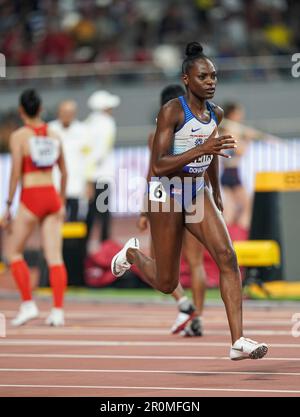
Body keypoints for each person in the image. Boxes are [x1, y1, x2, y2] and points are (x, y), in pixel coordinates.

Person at [111, 42, 268, 360]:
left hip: (198, 193)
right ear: (187, 79)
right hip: (166, 196)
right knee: (167, 282)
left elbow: (213, 155)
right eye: (203, 76)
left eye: (214, 76)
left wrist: (217, 192)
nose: (211, 82)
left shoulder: (216, 112)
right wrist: (203, 149)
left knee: (227, 257)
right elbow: (159, 165)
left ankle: (238, 341)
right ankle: (131, 253)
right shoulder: (171, 111)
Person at [137, 84, 207, 336]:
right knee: (196, 261)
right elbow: (206, 166)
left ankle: (182, 301)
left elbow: (153, 172)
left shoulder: (157, 134)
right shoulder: (199, 127)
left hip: (166, 199)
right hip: (194, 196)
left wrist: (145, 210)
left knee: (156, 257)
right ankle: (196, 316)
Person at [2, 89, 68, 327]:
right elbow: (65, 171)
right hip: (51, 195)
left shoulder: (19, 136)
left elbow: (15, 174)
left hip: (31, 197)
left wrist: (8, 205)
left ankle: (28, 304)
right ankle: (58, 311)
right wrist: (60, 201)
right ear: (41, 109)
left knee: (13, 252)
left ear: (21, 111)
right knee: (55, 257)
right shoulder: (54, 134)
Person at [85, 90, 120, 246]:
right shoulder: (107, 123)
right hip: (102, 175)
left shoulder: (87, 123)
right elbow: (100, 151)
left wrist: (87, 175)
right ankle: (105, 246)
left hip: (89, 176)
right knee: (103, 212)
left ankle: (84, 245)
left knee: (91, 213)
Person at [49, 100, 89, 222]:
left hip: (76, 184)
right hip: (55, 183)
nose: (67, 115)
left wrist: (88, 182)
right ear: (58, 113)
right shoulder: (50, 129)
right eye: (64, 112)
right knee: (54, 220)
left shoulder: (83, 130)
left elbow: (88, 158)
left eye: (70, 112)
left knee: (75, 220)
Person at [220, 102, 254, 230]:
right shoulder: (232, 129)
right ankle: (241, 234)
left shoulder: (225, 129)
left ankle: (228, 236)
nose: (241, 115)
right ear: (233, 114)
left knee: (231, 208)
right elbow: (240, 151)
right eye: (239, 113)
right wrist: (247, 140)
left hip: (227, 172)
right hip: (232, 172)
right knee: (247, 205)